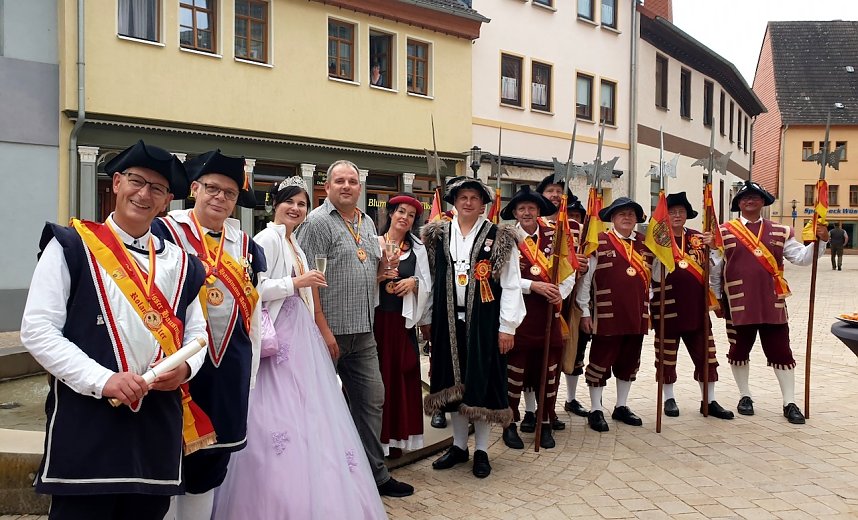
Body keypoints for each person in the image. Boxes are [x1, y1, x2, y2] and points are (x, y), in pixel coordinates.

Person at [20, 140, 210, 520]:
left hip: (156, 425)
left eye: (156, 189)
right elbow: (37, 330)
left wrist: (185, 369)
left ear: (167, 200)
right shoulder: (72, 245)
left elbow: (198, 335)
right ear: (118, 182)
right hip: (87, 423)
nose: (144, 194)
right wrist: (103, 379)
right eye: (137, 181)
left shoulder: (184, 264)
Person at [213, 177, 387, 519]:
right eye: (289, 202)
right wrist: (296, 282)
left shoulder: (294, 242)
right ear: (274, 206)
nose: (295, 208)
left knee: (311, 410)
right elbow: (254, 289)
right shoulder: (267, 238)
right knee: (276, 412)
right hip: (280, 335)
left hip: (300, 330)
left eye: (302, 204)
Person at [152, 150, 266, 520]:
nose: (219, 198)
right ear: (195, 189)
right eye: (212, 189)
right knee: (166, 466)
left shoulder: (250, 248)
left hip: (227, 370)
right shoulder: (163, 232)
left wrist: (249, 376)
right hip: (177, 368)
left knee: (210, 469)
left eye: (229, 193)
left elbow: (256, 319)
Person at [297, 160, 414, 497]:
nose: (346, 186)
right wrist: (324, 330)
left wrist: (379, 275)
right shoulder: (316, 223)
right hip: (328, 333)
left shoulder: (364, 221)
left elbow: (362, 265)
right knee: (319, 408)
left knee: (371, 401)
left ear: (359, 188)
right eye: (339, 181)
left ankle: (375, 476)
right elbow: (310, 283)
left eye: (352, 181)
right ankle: (322, 478)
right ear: (327, 186)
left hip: (364, 332)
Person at [421, 176, 525, 478]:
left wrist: (508, 327)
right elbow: (429, 280)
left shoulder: (499, 236)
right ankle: (457, 446)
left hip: (485, 322)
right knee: (453, 383)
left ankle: (481, 450)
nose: (468, 202)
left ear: (483, 204)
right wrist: (426, 318)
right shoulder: (438, 235)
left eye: (474, 198)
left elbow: (512, 283)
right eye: (463, 197)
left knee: (480, 384)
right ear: (454, 201)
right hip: (447, 320)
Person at [709, 180, 829, 424]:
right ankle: (745, 396)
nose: (749, 200)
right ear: (738, 204)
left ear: (763, 201)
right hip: (737, 302)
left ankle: (789, 402)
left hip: (772, 301)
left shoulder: (780, 231)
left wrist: (820, 241)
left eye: (755, 197)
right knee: (738, 350)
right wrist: (716, 298)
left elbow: (803, 259)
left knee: (781, 351)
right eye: (744, 198)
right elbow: (716, 268)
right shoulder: (722, 232)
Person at [499, 186, 574, 450]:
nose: (527, 213)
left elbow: (570, 270)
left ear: (539, 210)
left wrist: (559, 292)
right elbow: (502, 278)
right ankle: (510, 425)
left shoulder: (558, 234)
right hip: (519, 315)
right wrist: (534, 286)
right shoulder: (506, 238)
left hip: (549, 315)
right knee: (514, 374)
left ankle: (544, 423)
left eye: (532, 208)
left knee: (549, 371)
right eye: (522, 209)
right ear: (515, 213)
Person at [650, 192, 733, 420]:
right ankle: (668, 398)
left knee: (706, 355)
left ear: (687, 215)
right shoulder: (658, 239)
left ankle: (709, 400)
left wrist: (714, 248)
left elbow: (714, 271)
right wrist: (660, 253)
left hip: (696, 307)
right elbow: (654, 277)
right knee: (666, 356)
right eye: (672, 212)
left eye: (681, 212)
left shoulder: (698, 238)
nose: (677, 215)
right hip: (667, 307)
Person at [577, 197, 653, 432]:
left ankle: (621, 406)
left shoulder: (645, 244)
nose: (627, 218)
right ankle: (596, 409)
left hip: (636, 314)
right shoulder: (598, 242)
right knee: (600, 361)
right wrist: (585, 312)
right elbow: (585, 282)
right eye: (622, 214)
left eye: (631, 214)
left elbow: (656, 278)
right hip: (606, 314)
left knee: (629, 362)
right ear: (612, 218)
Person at [374, 193, 432, 458]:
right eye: (401, 212)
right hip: (376, 323)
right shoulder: (374, 244)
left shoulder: (418, 249)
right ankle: (375, 439)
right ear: (391, 214)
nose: (405, 218)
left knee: (402, 379)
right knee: (377, 381)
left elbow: (428, 284)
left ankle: (396, 440)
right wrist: (379, 276)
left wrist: (414, 284)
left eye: (411, 215)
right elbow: (361, 280)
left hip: (402, 323)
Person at [558, 194, 592, 419]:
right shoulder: (552, 237)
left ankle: (570, 398)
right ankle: (536, 407)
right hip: (553, 302)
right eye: (569, 216)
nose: (574, 222)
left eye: (578, 217)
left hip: (576, 305)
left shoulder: (588, 244)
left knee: (577, 352)